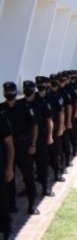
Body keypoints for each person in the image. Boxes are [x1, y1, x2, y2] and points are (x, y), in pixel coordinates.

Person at [3, 82, 38, 215]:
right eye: (7, 92)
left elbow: (34, 125)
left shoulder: (24, 107)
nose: (9, 94)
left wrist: (33, 144)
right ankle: (11, 205)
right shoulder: (1, 109)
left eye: (11, 92)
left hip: (23, 145)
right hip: (6, 149)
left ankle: (32, 204)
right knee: (8, 177)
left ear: (16, 92)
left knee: (28, 176)